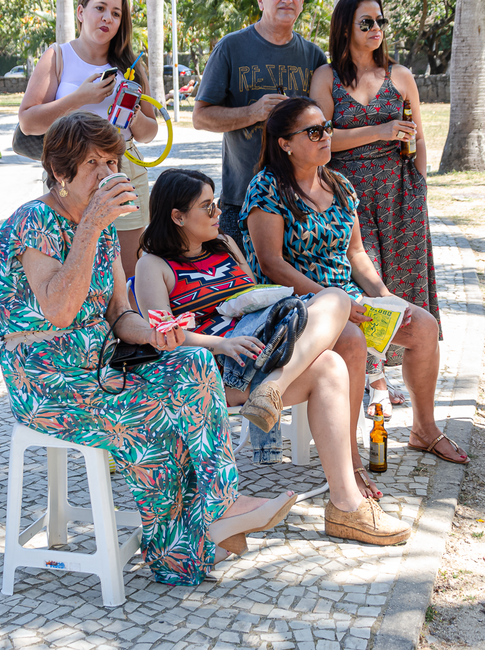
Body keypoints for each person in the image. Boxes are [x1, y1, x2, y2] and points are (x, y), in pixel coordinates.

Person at [0, 113, 296, 584]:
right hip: (47, 382)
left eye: (111, 160)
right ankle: (194, 537)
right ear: (60, 172)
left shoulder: (104, 228)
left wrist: (156, 332)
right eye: (91, 162)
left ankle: (214, 513)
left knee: (192, 363)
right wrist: (92, 225)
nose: (106, 171)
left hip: (100, 368)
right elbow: (58, 309)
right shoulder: (36, 220)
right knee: (160, 418)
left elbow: (120, 315)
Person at [135, 168, 412, 545]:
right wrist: (219, 344)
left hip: (260, 349)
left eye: (215, 202)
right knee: (331, 344)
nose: (218, 212)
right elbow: (161, 337)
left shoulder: (226, 246)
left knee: (335, 301)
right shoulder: (153, 265)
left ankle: (343, 504)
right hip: (215, 366)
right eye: (206, 206)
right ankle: (344, 499)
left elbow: (255, 301)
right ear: (177, 216)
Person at [242, 97, 468, 472]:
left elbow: (357, 253)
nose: (326, 137)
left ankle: (424, 430)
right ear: (285, 143)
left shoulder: (340, 184)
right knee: (350, 338)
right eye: (314, 132)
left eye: (327, 128)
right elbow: (272, 264)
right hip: (293, 306)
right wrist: (338, 301)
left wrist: (384, 296)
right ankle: (348, 463)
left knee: (423, 325)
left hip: (349, 299)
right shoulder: (266, 188)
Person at [311, 0, 440, 417]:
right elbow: (323, 138)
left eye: (380, 21)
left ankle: (397, 372)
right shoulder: (327, 78)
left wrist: (418, 183)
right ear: (345, 28)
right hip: (347, 192)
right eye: (365, 22)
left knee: (402, 280)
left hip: (398, 190)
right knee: (365, 282)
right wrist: (380, 130)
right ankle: (375, 380)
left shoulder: (400, 75)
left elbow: (417, 134)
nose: (376, 29)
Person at [17, 0, 159, 279]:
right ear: (81, 12)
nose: (107, 18)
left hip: (124, 169)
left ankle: (127, 326)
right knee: (74, 263)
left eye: (116, 13)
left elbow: (149, 133)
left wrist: (129, 114)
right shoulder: (58, 56)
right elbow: (28, 121)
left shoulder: (130, 66)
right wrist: (80, 98)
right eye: (100, 8)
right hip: (71, 173)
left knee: (128, 272)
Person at [193, 0, 328, 248]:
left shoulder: (314, 57)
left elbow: (325, 128)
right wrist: (253, 112)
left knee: (302, 291)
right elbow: (200, 117)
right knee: (249, 292)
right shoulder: (231, 48)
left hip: (301, 201)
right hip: (242, 200)